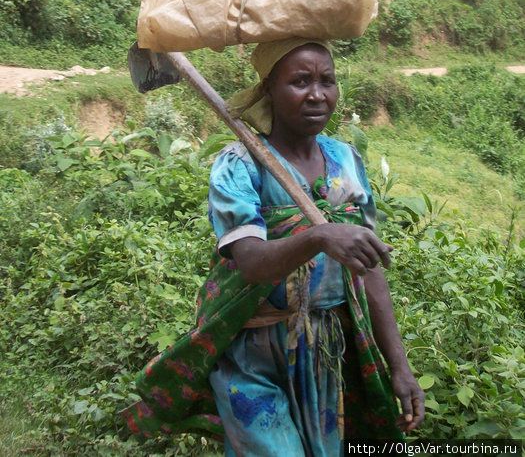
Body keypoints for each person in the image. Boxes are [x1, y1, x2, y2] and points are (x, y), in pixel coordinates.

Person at [122, 38, 424, 455]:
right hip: (255, 353)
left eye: (327, 80)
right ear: (268, 90)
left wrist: (400, 367)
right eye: (300, 81)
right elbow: (251, 263)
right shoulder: (240, 165)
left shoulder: (347, 161)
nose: (317, 94)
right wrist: (319, 236)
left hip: (329, 351)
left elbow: (368, 269)